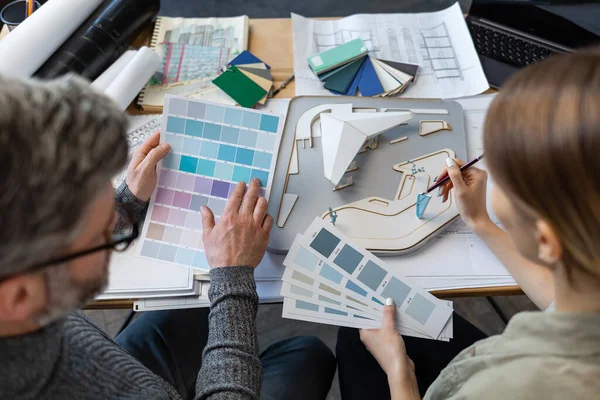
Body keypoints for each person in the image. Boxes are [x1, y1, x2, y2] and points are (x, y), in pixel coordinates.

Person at [0, 76, 336, 400]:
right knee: (309, 355)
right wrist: (232, 274)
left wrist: (127, 202)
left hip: (111, 361)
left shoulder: (18, 280)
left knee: (192, 310)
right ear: (19, 295)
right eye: (100, 236)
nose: (116, 226)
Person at [336, 50, 600, 399]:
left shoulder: (509, 387)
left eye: (505, 179)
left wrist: (399, 370)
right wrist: (480, 221)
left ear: (545, 240)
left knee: (355, 334)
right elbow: (566, 297)